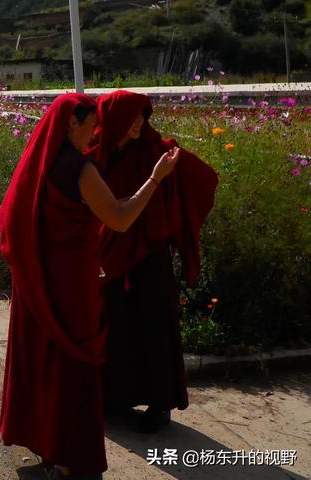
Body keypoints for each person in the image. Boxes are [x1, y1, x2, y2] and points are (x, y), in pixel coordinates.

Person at [0, 93, 180, 480]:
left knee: (46, 364)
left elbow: (10, 218)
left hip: (38, 281)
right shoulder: (79, 169)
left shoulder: (40, 163)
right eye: (90, 124)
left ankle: (48, 449)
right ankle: (69, 462)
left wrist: (32, 269)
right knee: (75, 371)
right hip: (72, 286)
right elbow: (118, 218)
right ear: (70, 124)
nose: (96, 131)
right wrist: (154, 179)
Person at [92, 90, 218, 433]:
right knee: (115, 323)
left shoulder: (157, 151)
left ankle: (160, 403)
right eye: (131, 115)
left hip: (149, 253)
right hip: (109, 253)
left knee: (153, 324)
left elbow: (202, 181)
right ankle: (115, 397)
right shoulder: (95, 152)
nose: (138, 122)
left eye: (142, 115)